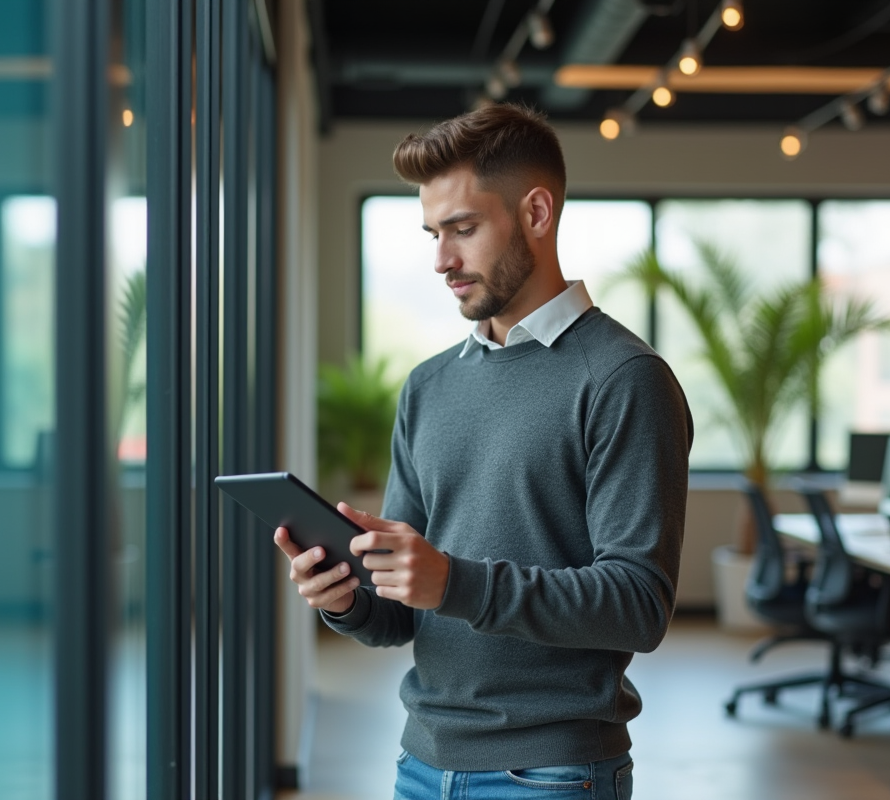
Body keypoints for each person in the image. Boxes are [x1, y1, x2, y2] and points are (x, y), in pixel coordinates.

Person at [275, 103, 693, 800]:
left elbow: (639, 604)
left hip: (551, 774)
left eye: (463, 229)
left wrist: (455, 581)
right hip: (420, 763)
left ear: (536, 212)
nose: (441, 259)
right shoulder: (428, 386)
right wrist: (345, 598)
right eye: (433, 233)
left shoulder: (624, 379)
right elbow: (402, 613)